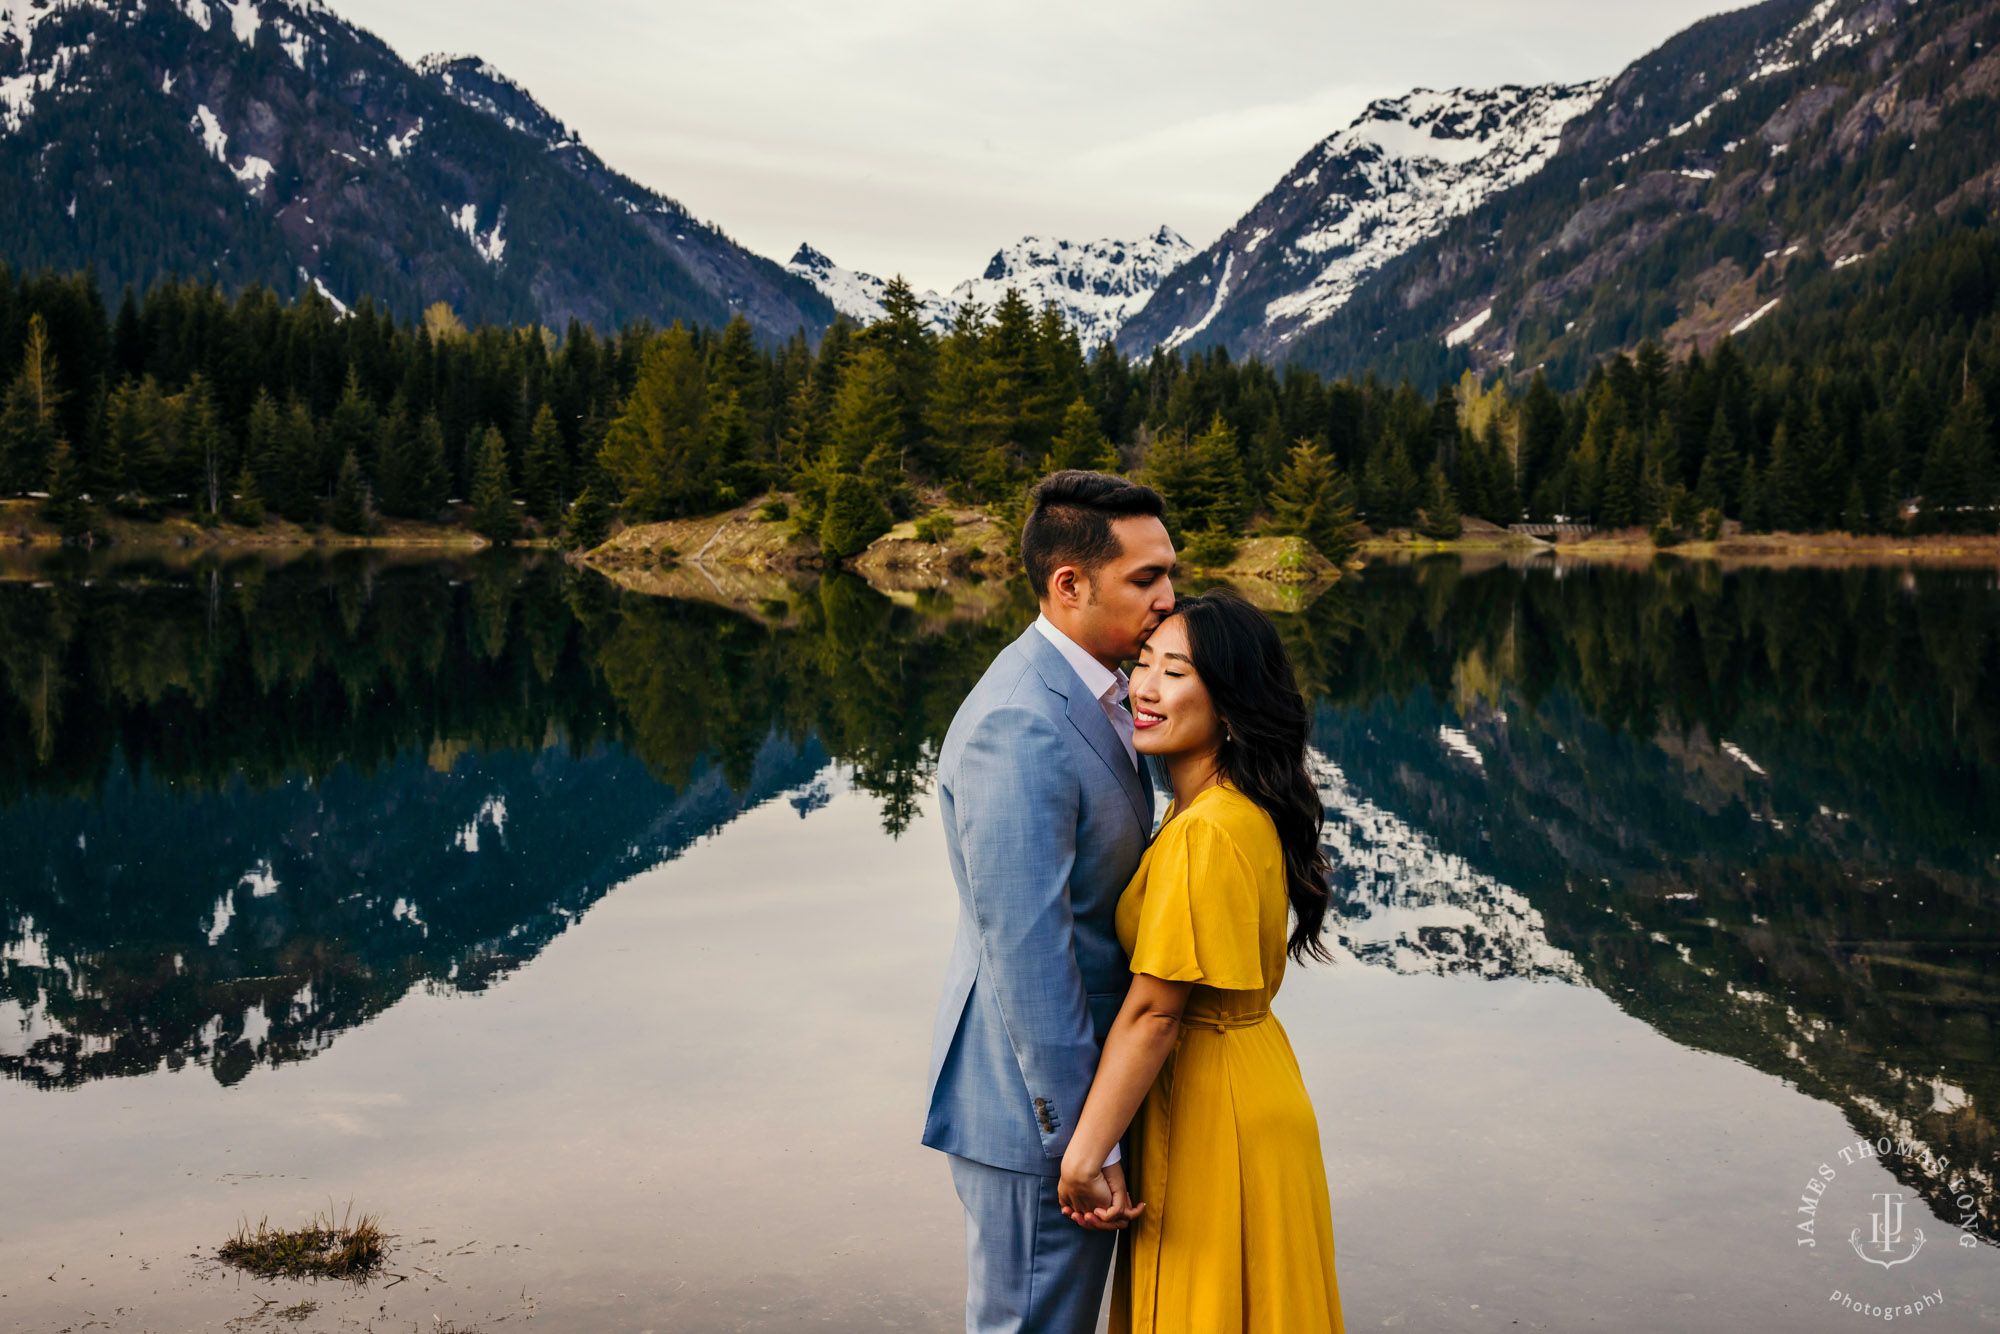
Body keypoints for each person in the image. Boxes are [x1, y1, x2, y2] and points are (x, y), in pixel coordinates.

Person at [922, 469, 1177, 1334]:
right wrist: (1086, 1141)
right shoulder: (1019, 722)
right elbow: (1030, 956)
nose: (1169, 599)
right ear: (1070, 585)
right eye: (1147, 580)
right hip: (1040, 1120)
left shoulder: (1098, 691)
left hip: (1073, 1103)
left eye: (1170, 574)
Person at [1057, 587, 1346, 1334]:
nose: (1144, 688)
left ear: (1232, 701)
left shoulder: (1207, 830)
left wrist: (1085, 1156)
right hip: (1252, 1078)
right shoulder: (1230, 807)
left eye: (1175, 672)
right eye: (1143, 663)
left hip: (1216, 1105)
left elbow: (1156, 1011)